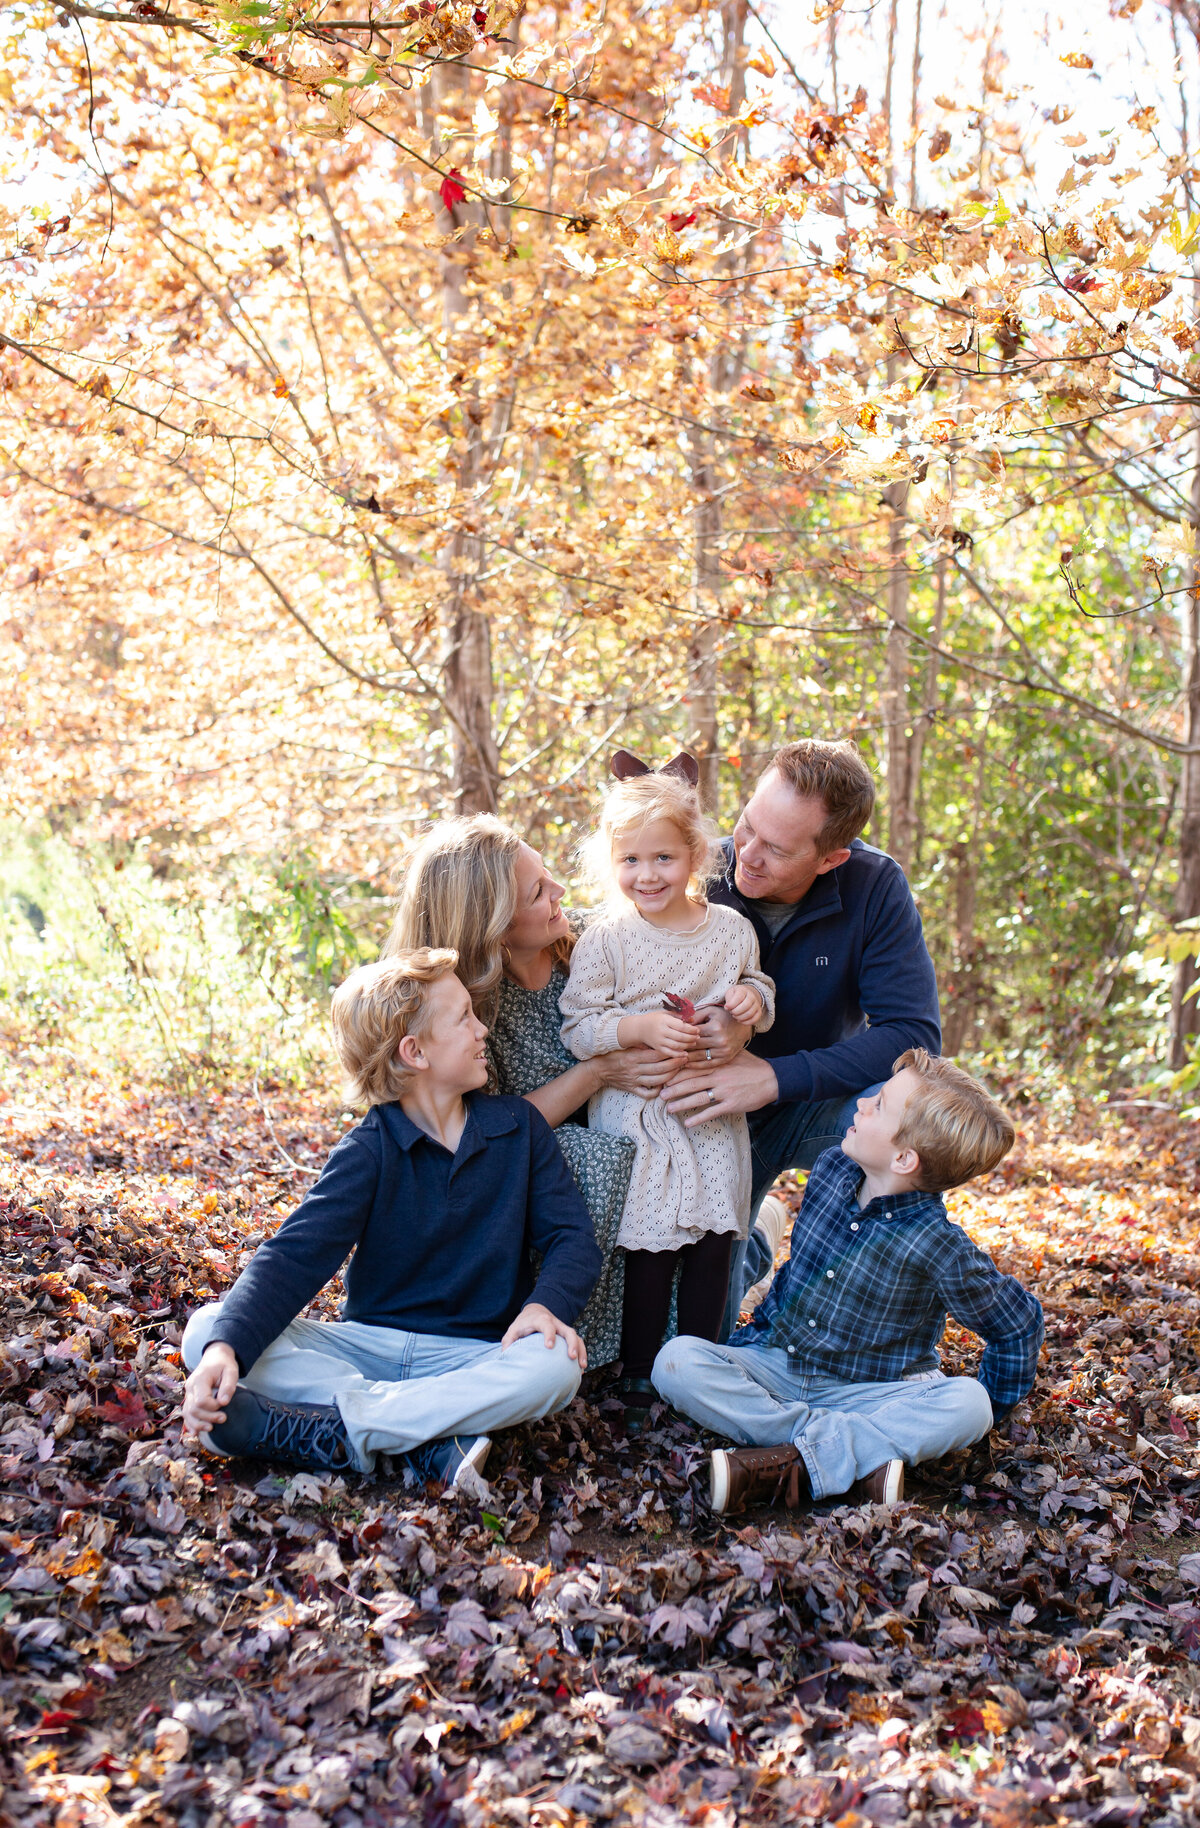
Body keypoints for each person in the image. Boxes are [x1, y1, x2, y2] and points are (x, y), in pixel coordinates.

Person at [180, 948, 601, 1484]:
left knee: (556, 1366)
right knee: (208, 1331)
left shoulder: (518, 1128)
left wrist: (546, 1305)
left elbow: (572, 1238)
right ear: (415, 1052)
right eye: (464, 1018)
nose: (481, 1031)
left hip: (471, 1358)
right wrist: (223, 1351)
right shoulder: (369, 1149)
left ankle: (352, 1429)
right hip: (366, 1349)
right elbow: (292, 1256)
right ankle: (423, 1440)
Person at [653, 1049, 1043, 1513]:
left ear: (903, 1158)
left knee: (969, 1405)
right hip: (777, 1364)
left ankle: (794, 1461)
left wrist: (994, 1412)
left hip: (871, 1390)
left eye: (878, 1105)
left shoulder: (938, 1245)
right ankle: (857, 1457)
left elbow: (1017, 1323)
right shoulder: (832, 1169)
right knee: (675, 1361)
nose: (862, 1104)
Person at [659, 739, 942, 1337]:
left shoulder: (874, 887)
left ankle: (871, 1330)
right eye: (746, 827)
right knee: (687, 1332)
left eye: (779, 850)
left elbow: (913, 1033)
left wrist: (774, 1077)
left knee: (909, 1127)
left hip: (813, 1106)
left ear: (831, 859)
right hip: (704, 1113)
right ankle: (757, 1236)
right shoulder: (690, 869)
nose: (747, 856)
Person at [384, 816, 675, 1371]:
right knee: (585, 1157)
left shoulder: (596, 942)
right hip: (518, 1171)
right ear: (490, 924)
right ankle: (570, 1340)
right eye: (538, 892)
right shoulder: (462, 1006)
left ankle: (745, 1246)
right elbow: (477, 1127)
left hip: (637, 1139)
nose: (559, 891)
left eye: (549, 875)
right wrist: (596, 1072)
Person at [559, 758, 775, 1423]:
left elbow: (762, 993)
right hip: (639, 1114)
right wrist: (638, 1026)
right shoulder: (608, 941)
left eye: (662, 857)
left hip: (710, 1110)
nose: (645, 875)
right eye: (629, 859)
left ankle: (703, 1367)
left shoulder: (731, 931)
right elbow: (578, 1024)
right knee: (650, 1246)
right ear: (610, 860)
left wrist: (748, 1001)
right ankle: (639, 1373)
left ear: (695, 856)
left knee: (715, 1240)